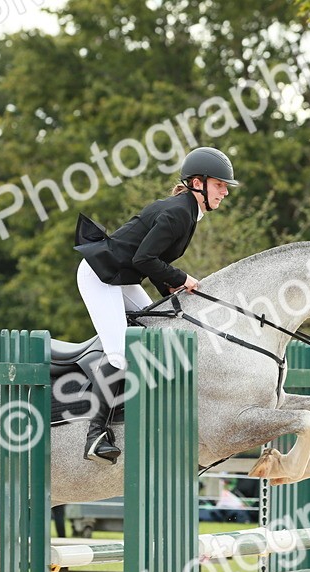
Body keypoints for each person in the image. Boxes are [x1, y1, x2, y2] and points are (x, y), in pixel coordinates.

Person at [73, 146, 237, 463]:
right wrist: (182, 278)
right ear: (198, 183)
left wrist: (174, 290)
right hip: (100, 276)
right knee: (121, 353)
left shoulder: (188, 211)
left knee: (156, 328)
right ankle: (95, 436)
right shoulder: (178, 212)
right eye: (220, 184)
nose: (225, 191)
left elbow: (151, 262)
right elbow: (144, 258)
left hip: (120, 276)